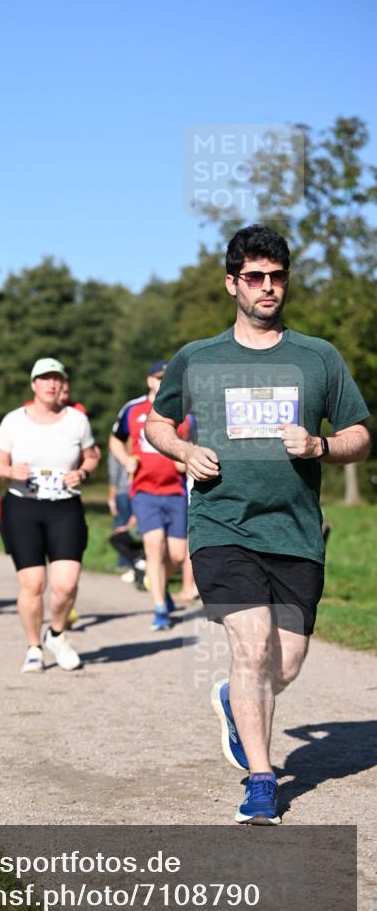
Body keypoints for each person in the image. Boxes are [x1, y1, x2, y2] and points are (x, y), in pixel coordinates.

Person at [146, 223, 371, 825]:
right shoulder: (199, 357)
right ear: (232, 284)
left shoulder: (318, 357)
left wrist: (321, 446)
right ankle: (264, 780)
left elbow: (360, 435)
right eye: (254, 277)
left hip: (296, 532)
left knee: (285, 663)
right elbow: (156, 423)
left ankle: (232, 701)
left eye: (276, 277)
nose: (267, 287)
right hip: (223, 525)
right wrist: (182, 451)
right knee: (251, 644)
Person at [0, 357, 99, 672]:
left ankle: (58, 634)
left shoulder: (77, 420)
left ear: (62, 385)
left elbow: (91, 456)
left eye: (57, 379)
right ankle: (34, 647)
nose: (51, 384)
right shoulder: (13, 421)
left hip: (65, 506)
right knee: (33, 583)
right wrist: (11, 471)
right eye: (45, 379)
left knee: (66, 584)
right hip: (23, 506)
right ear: (34, 384)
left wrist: (82, 473)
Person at [109, 362, 188, 630]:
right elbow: (114, 439)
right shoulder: (134, 409)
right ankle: (159, 608)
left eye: (168, 377)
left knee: (177, 555)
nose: (163, 381)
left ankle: (159, 584)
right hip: (144, 491)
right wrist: (124, 461)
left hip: (175, 491)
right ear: (149, 381)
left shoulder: (185, 410)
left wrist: (186, 460)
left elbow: (196, 444)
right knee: (154, 546)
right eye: (158, 377)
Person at [108, 452, 133, 576]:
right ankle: (131, 561)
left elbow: (114, 477)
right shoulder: (136, 448)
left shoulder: (115, 453)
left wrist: (111, 499)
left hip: (122, 493)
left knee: (120, 527)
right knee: (131, 528)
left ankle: (123, 563)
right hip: (136, 492)